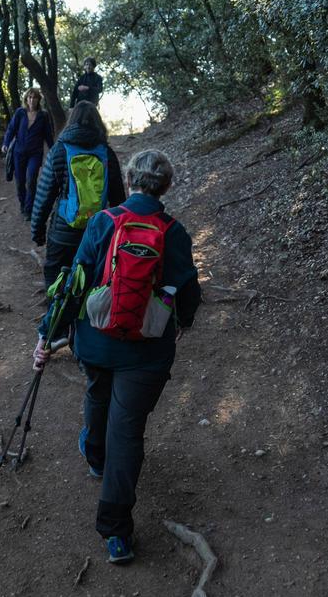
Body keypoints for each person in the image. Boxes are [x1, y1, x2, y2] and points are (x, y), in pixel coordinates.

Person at [33, 149, 202, 565]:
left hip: (96, 341)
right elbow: (189, 292)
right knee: (127, 433)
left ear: (128, 181)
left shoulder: (102, 223)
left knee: (97, 390)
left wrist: (46, 335)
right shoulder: (174, 231)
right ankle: (116, 534)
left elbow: (73, 284)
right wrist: (182, 321)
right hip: (146, 352)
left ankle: (94, 454)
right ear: (166, 186)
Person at [30, 101, 125, 288]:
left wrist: (37, 231)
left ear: (71, 122)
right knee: (91, 281)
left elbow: (44, 196)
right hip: (96, 232)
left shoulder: (59, 150)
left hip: (63, 233)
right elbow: (118, 200)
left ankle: (54, 315)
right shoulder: (106, 153)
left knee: (55, 277)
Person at [2, 88, 54, 219]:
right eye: (30, 97)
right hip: (18, 153)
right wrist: (6, 143)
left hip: (35, 154)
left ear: (38, 100)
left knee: (31, 180)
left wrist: (53, 149)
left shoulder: (43, 115)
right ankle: (23, 204)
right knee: (20, 182)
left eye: (35, 97)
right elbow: (11, 129)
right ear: (26, 99)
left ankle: (28, 209)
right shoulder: (20, 113)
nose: (32, 100)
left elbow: (48, 134)